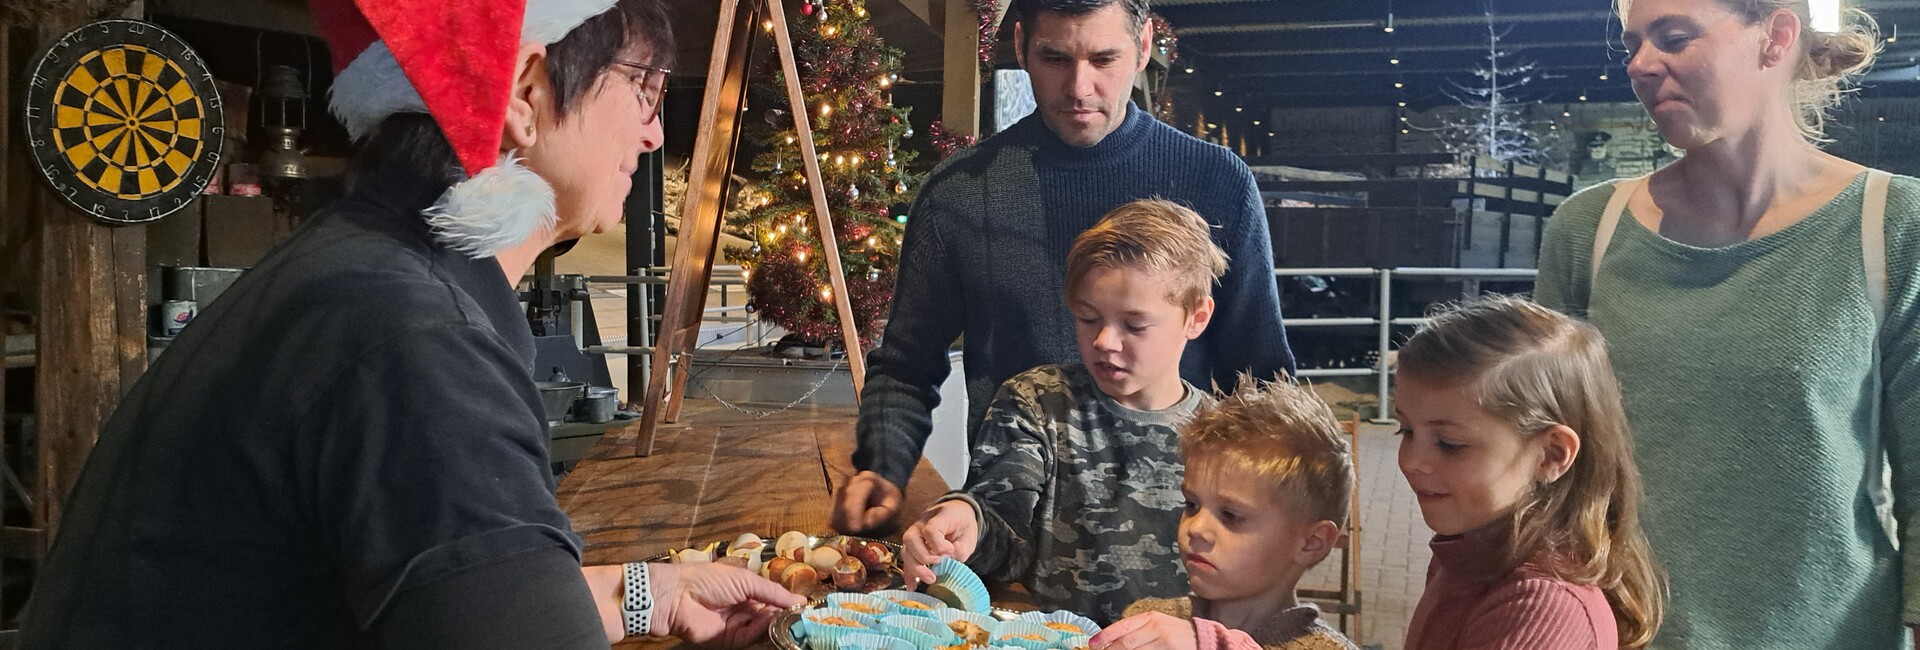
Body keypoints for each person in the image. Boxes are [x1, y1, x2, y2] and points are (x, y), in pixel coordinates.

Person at [17, 0, 803, 647]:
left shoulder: (359, 271)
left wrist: (648, 594)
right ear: (527, 95)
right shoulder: (414, 341)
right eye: (646, 88)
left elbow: (456, 603)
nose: (654, 131)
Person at [1533, 0, 1918, 647]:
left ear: (1775, 37)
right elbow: (1538, 464)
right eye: (1632, 44)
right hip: (1619, 633)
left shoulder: (1891, 225)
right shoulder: (1588, 231)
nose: (1641, 65)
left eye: (1674, 37)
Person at [833, 0, 1296, 535]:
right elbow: (907, 364)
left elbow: (1260, 376)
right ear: (1022, 47)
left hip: (1176, 535)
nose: (1078, 88)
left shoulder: (1219, 183)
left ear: (1143, 46)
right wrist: (883, 466)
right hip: (1005, 529)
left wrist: (1275, 522)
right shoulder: (960, 193)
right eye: (1055, 59)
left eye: (1104, 59)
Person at [898, 199, 1220, 623]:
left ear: (1195, 318)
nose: (1105, 340)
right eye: (1088, 318)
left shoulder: (1224, 438)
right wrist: (965, 519)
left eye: (1135, 325)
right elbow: (1004, 527)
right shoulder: (1037, 401)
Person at [1394, 297, 1664, 650]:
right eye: (1406, 430)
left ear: (1551, 455)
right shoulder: (1470, 548)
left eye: (1449, 443)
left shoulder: (1544, 610)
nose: (1412, 461)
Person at [1095, 377, 1360, 650]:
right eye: (1192, 505)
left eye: (1230, 515)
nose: (1196, 528)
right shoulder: (1149, 622)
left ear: (1311, 542)